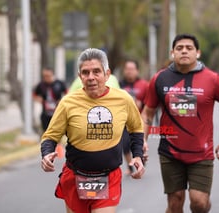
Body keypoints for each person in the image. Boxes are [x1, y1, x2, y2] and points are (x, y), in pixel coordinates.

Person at [142, 34, 219, 213]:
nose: (184, 51)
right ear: (172, 53)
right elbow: (147, 113)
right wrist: (141, 141)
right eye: (179, 48)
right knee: (175, 203)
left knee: (199, 203)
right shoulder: (159, 79)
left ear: (198, 53)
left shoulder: (213, 79)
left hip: (201, 154)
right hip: (170, 153)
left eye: (189, 48)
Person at [40, 48, 145, 213]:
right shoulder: (68, 102)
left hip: (109, 176)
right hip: (75, 176)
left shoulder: (123, 99)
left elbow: (136, 129)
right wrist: (46, 153)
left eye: (96, 71)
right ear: (80, 76)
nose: (91, 77)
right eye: (85, 72)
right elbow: (51, 136)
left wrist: (137, 155)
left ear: (107, 74)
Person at [119, 59, 149, 174]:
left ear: (137, 70)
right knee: (125, 145)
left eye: (132, 69)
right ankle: (130, 166)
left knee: (139, 144)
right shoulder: (119, 85)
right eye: (127, 69)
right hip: (124, 121)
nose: (129, 71)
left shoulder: (144, 85)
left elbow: (149, 105)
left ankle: (140, 161)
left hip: (139, 119)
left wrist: (141, 104)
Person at [33, 67, 67, 132]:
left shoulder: (59, 83)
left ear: (52, 75)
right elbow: (34, 94)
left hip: (57, 112)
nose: (46, 78)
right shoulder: (41, 85)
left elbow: (67, 92)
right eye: (44, 76)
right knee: (46, 132)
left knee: (57, 132)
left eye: (48, 76)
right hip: (45, 113)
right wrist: (39, 99)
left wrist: (62, 100)